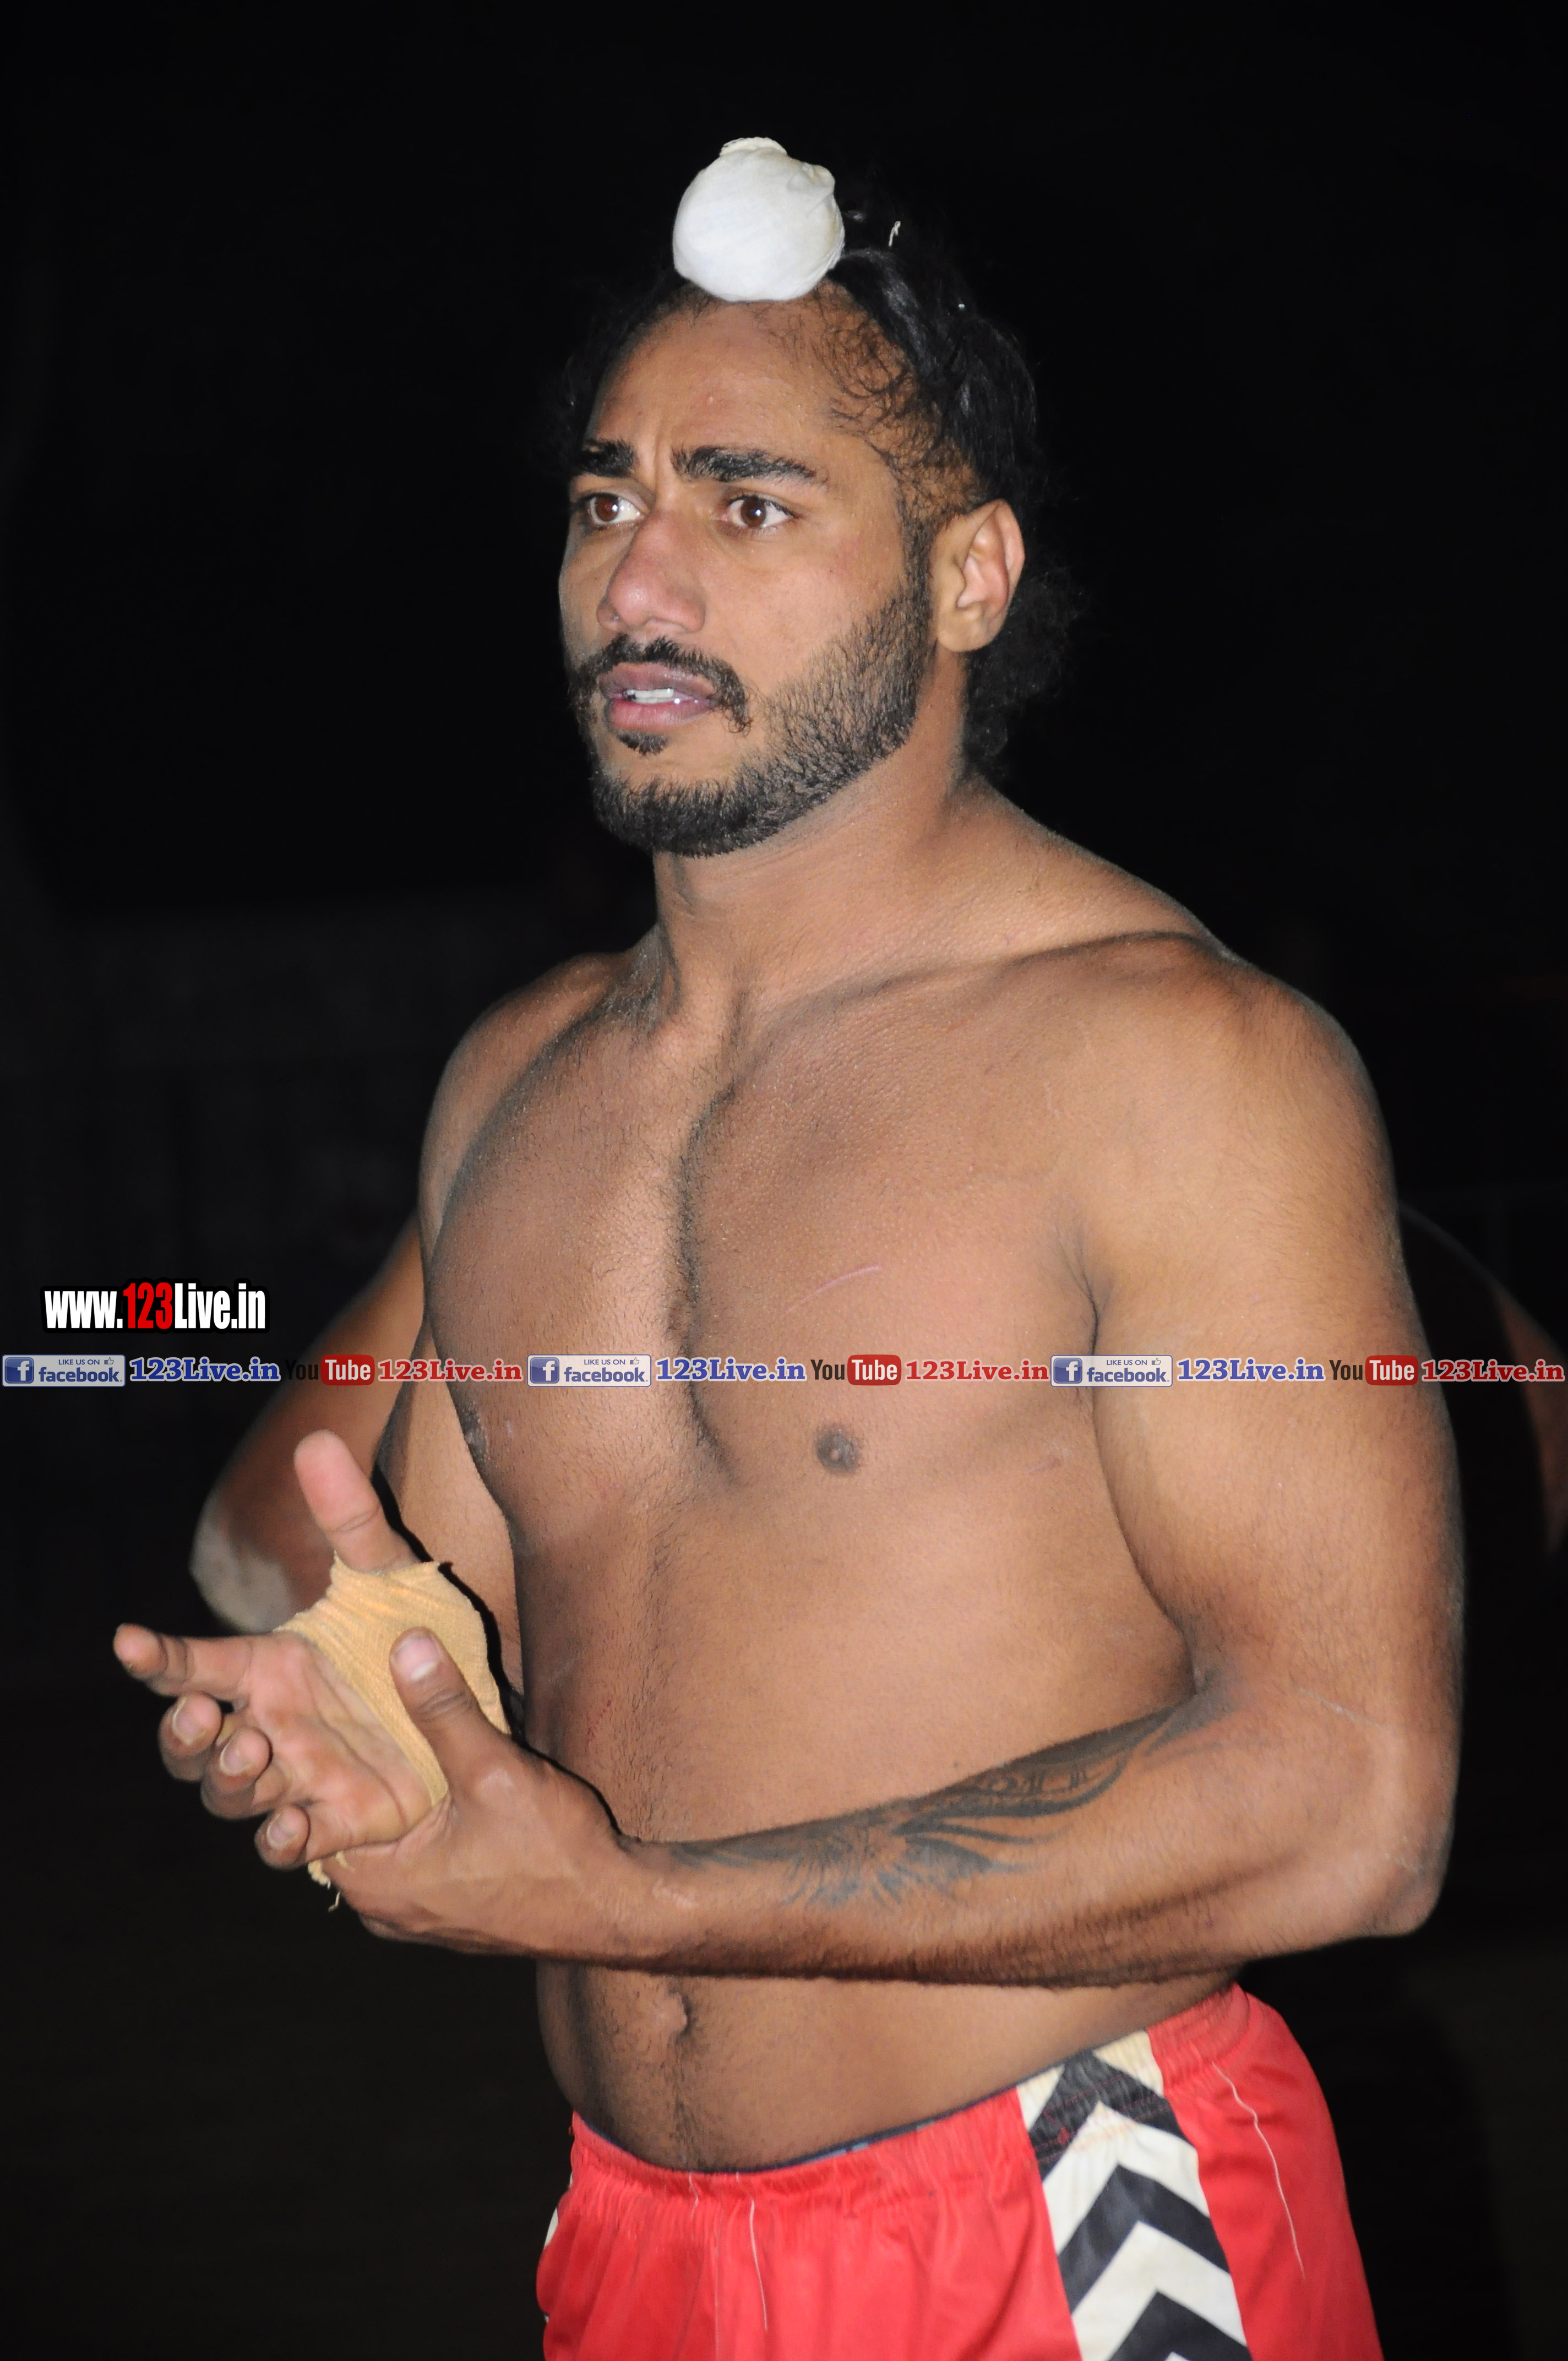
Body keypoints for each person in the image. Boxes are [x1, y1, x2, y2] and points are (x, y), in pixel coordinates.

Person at [115, 145, 1459, 2360]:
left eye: (747, 503)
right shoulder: (522, 1079)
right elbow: (361, 1555)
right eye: (605, 497)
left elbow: (1348, 1802)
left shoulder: (1179, 1064)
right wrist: (359, 1695)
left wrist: (636, 1898)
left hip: (1073, 2214)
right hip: (634, 2243)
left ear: (965, 576)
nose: (636, 574)